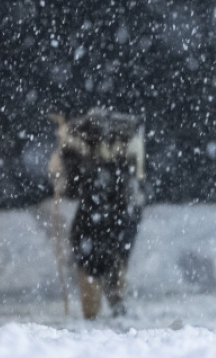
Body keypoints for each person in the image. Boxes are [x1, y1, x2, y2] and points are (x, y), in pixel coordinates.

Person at [50, 107, 145, 320]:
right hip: (121, 208)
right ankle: (115, 297)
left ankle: (92, 306)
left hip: (98, 208)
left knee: (88, 256)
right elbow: (138, 176)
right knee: (116, 255)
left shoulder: (82, 143)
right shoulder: (128, 139)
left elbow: (63, 170)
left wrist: (61, 177)